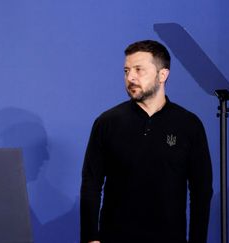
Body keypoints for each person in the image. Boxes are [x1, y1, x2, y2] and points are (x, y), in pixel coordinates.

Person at [80, 40, 213, 243]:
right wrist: (90, 238)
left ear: (163, 75)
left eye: (138, 70)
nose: (130, 77)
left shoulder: (189, 125)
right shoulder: (107, 122)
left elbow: (201, 191)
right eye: (126, 70)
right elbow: (91, 184)